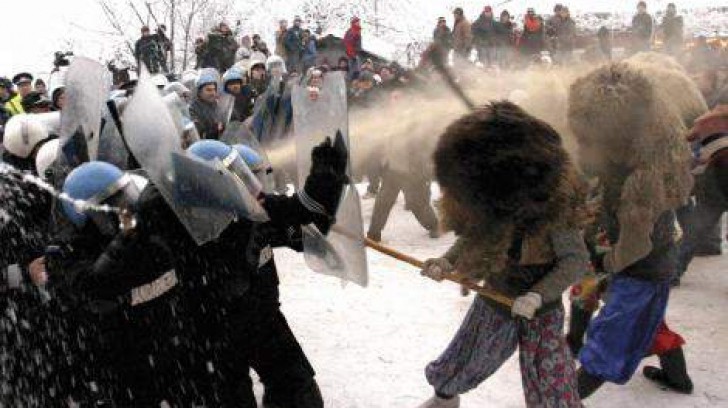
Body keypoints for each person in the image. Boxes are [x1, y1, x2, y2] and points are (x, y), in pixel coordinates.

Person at [418, 101, 587, 408]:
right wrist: (447, 261)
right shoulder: (491, 193)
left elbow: (576, 261)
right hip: (496, 295)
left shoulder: (555, 206)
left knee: (552, 382)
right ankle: (444, 400)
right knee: (466, 358)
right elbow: (475, 236)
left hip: (541, 310)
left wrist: (538, 295)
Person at [568, 62, 694, 399]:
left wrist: (604, 262)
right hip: (636, 269)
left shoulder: (641, 180)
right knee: (644, 324)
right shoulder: (622, 165)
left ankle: (563, 400)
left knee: (609, 343)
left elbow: (636, 245)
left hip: (640, 271)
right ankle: (678, 377)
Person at [189, 71, 223, 140]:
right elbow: (197, 132)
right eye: (208, 90)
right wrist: (215, 129)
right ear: (199, 92)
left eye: (214, 90)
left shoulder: (217, 104)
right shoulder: (192, 108)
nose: (213, 93)